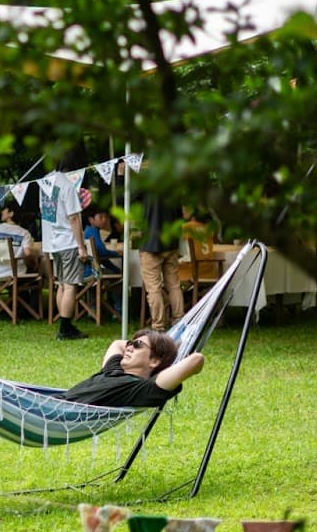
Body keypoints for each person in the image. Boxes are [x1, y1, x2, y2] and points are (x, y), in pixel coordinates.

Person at [59, 329, 205, 408]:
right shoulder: (112, 369)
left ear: (154, 361)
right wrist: (139, 342)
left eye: (137, 346)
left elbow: (196, 360)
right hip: (50, 404)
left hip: (54, 412)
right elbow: (117, 343)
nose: (129, 347)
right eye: (130, 343)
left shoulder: (140, 389)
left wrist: (172, 354)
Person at [39, 164, 90, 340]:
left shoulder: (45, 183)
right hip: (68, 241)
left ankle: (64, 325)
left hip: (52, 242)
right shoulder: (66, 185)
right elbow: (74, 218)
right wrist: (81, 247)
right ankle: (65, 328)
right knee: (69, 286)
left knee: (61, 284)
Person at [139, 190, 187, 332]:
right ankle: (179, 320)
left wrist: (121, 175)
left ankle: (158, 326)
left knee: (154, 288)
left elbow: (122, 198)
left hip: (150, 245)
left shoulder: (145, 184)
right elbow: (180, 216)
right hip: (170, 243)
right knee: (174, 285)